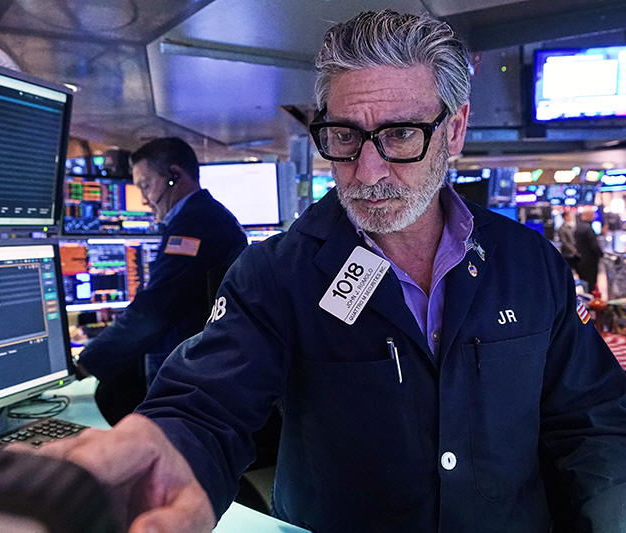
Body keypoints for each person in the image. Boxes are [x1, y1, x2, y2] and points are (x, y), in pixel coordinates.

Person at [33, 11, 626, 533]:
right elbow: (208, 405)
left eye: (400, 134)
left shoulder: (529, 263)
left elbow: (591, 423)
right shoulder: (276, 273)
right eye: (344, 135)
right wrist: (173, 449)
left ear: (454, 129)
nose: (366, 171)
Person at [76, 137, 247, 425]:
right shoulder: (203, 216)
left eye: (145, 185)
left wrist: (86, 362)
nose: (144, 199)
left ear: (174, 176)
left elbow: (156, 308)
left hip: (193, 375)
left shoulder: (195, 224)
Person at [575, 207, 604, 293]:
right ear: (589, 215)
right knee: (591, 285)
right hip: (590, 261)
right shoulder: (588, 229)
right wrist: (601, 254)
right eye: (593, 215)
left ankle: (586, 298)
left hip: (580, 260)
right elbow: (594, 245)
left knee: (584, 283)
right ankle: (591, 299)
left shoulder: (578, 227)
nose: (594, 217)